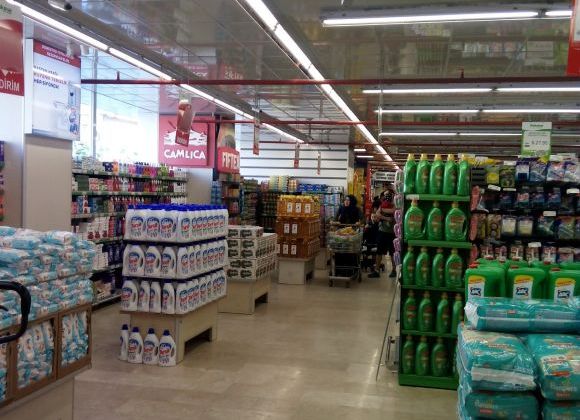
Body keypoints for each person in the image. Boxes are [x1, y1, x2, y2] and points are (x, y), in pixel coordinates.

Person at [369, 186, 396, 278]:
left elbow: (394, 211)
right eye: (385, 194)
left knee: (392, 252)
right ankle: (376, 271)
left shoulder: (396, 204)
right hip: (382, 231)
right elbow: (377, 214)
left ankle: (394, 270)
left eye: (388, 194)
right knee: (379, 251)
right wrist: (386, 218)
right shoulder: (383, 205)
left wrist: (382, 213)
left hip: (392, 232)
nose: (387, 196)